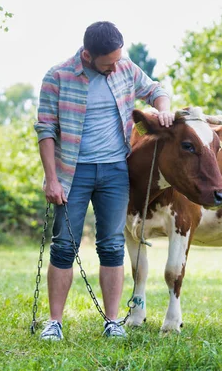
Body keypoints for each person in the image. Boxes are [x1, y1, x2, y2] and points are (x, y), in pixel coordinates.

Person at [34, 21, 174, 340]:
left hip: (114, 171)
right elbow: (45, 131)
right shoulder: (57, 77)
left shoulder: (124, 67)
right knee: (64, 246)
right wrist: (51, 179)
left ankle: (113, 322)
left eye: (118, 59)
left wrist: (164, 110)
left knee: (112, 245)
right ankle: (54, 322)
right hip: (73, 172)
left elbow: (156, 91)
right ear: (87, 54)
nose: (115, 67)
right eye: (108, 62)